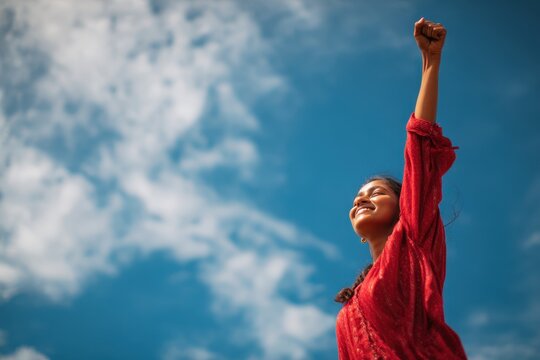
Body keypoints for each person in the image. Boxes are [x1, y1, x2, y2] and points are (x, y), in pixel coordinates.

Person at [334, 18, 468, 359]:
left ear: (404, 207)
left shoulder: (411, 241)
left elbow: (419, 143)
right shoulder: (346, 313)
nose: (362, 198)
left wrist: (430, 63)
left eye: (377, 192)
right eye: (358, 198)